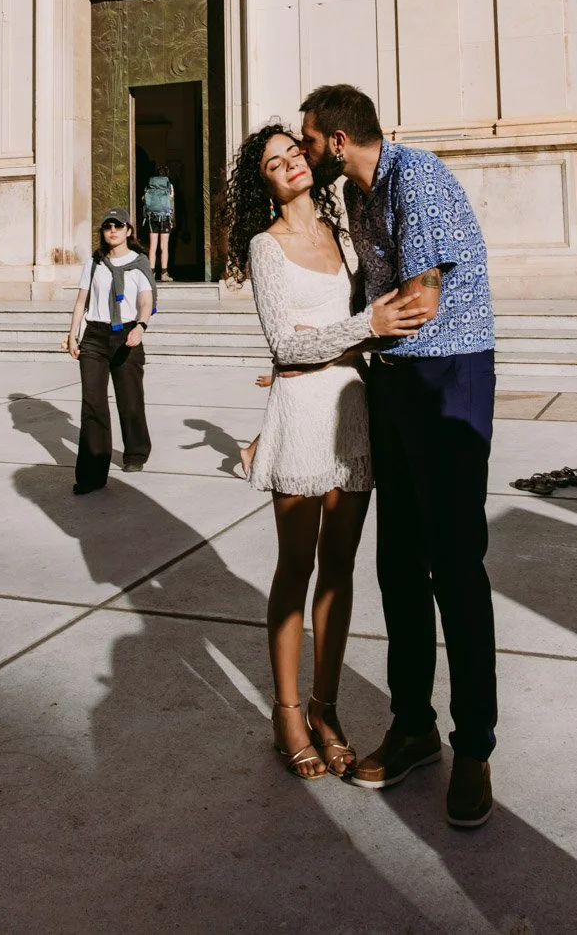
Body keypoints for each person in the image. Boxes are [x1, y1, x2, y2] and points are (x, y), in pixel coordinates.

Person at [300, 84, 497, 828]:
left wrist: (339, 338)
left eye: (310, 140)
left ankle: (473, 746)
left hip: (448, 376)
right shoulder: (359, 194)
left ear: (340, 139)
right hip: (394, 382)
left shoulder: (418, 178)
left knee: (454, 562)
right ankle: (413, 726)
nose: (308, 150)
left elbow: (418, 302)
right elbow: (377, 302)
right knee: (397, 564)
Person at [223, 123, 427, 780]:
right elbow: (287, 346)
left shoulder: (344, 238)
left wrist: (338, 335)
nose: (287, 164)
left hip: (351, 413)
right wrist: (360, 328)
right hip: (301, 414)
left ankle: (325, 707)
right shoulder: (265, 246)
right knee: (295, 566)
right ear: (264, 182)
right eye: (273, 162)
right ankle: (286, 714)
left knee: (340, 570)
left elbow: (352, 329)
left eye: (292, 153)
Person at [65, 209, 157, 490]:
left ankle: (136, 451)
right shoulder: (94, 263)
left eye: (119, 226)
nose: (113, 230)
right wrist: (72, 334)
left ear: (129, 230)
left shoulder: (139, 263)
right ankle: (92, 475)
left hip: (127, 333)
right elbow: (82, 301)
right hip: (94, 335)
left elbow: (145, 300)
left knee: (129, 398)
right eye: (108, 226)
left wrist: (140, 326)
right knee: (93, 404)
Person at [143, 165, 175, 282]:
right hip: (165, 218)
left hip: (152, 218)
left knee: (152, 247)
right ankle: (164, 273)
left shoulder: (150, 185)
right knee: (164, 247)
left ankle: (151, 273)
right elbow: (171, 202)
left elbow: (143, 199)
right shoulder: (169, 186)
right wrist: (172, 220)